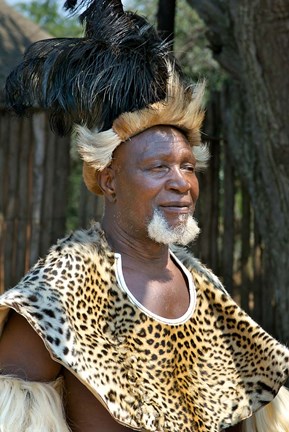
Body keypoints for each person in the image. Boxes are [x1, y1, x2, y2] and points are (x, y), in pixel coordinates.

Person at [1, 1, 289, 431]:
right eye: (157, 168)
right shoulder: (61, 291)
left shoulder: (206, 291)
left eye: (188, 167)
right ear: (110, 180)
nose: (181, 183)